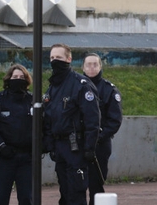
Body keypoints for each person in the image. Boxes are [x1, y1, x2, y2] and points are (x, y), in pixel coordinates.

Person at [43, 43, 101, 205]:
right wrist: (50, 144)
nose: (55, 61)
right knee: (65, 191)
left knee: (76, 192)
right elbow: (48, 117)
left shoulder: (80, 84)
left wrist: (89, 147)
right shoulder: (53, 87)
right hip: (59, 146)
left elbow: (92, 119)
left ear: (69, 59)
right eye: (52, 58)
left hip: (76, 146)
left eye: (59, 57)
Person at [0, 64, 33, 205]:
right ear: (8, 79)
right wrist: (0, 146)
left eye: (21, 77)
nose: (18, 79)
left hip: (27, 159)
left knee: (28, 199)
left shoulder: (34, 102)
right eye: (15, 77)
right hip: (1, 158)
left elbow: (44, 125)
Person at [81, 53, 123, 205]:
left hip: (100, 144)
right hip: (78, 143)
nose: (91, 68)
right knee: (74, 186)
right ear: (83, 67)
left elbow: (115, 120)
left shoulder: (109, 90)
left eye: (95, 64)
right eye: (88, 64)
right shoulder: (75, 87)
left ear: (100, 66)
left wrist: (98, 137)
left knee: (96, 185)